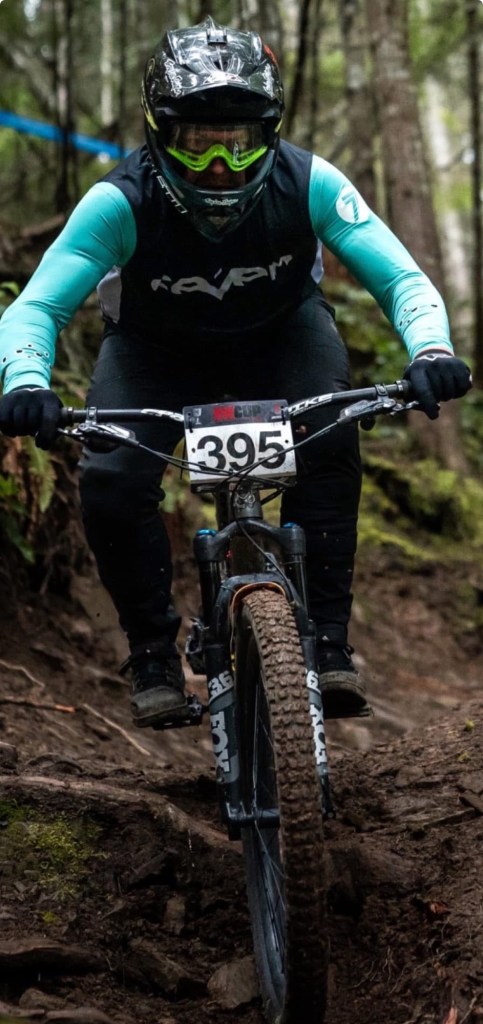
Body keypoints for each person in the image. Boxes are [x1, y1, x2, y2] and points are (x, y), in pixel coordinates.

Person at [0, 18, 471, 728]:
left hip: (282, 339)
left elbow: (402, 278)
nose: (220, 165)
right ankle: (153, 655)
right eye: (198, 143)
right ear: (161, 133)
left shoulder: (310, 183)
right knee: (111, 480)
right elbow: (36, 307)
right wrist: (25, 382)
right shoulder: (119, 201)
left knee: (331, 442)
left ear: (270, 134)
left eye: (240, 142)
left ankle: (328, 642)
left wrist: (430, 350)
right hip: (154, 354)